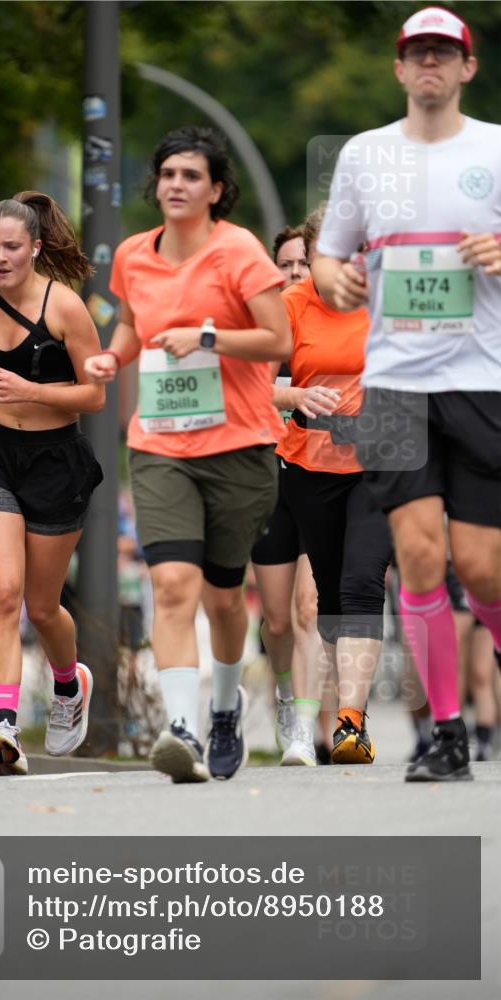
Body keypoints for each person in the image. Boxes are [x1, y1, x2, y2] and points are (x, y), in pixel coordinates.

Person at [313, 7, 501, 781]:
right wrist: (338, 279)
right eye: (416, 53)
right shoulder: (364, 154)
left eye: (442, 54)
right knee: (419, 563)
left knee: (481, 569)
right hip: (392, 383)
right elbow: (326, 260)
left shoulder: (495, 147)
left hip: (481, 379)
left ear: (466, 67)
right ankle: (447, 735)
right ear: (398, 69)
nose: (429, 64)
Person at [85, 126, 291, 783]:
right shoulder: (132, 255)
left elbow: (276, 339)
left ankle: (224, 710)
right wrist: (109, 356)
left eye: (191, 176)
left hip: (238, 443)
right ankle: (181, 732)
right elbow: (128, 322)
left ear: (217, 189)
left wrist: (204, 334)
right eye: (168, 173)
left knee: (225, 598)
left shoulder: (240, 252)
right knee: (172, 584)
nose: (176, 184)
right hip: (159, 444)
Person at [0, 191, 104, 776]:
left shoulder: (65, 309)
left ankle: (69, 683)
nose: (1, 257)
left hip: (57, 460)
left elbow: (95, 393)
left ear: (35, 247)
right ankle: (4, 728)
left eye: (12, 246)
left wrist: (33, 393)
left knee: (42, 606)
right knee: (2, 593)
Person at [277, 206, 393, 765]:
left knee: (363, 583)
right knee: (329, 602)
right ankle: (331, 713)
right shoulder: (292, 305)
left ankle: (351, 723)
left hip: (381, 466)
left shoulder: (390, 300)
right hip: (310, 466)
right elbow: (247, 381)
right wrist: (295, 398)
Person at [250, 226, 323, 763]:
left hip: (323, 472)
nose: (295, 271)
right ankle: (282, 692)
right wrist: (292, 393)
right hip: (268, 472)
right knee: (276, 618)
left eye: (304, 262)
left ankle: (302, 726)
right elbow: (246, 384)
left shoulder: (333, 318)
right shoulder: (266, 322)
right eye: (287, 264)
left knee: (307, 607)